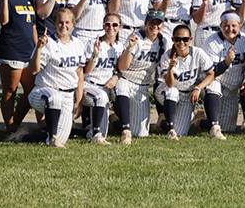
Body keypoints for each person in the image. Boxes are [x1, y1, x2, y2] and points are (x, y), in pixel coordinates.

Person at [26, 8, 85, 148]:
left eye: (67, 22)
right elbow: (33, 70)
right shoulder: (47, 43)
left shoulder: (78, 43)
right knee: (55, 97)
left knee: (62, 138)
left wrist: (79, 100)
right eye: (60, 22)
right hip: (43, 92)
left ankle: (24, 136)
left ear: (73, 24)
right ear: (54, 23)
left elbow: (79, 71)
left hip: (68, 94)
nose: (63, 26)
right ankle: (53, 137)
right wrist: (39, 49)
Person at [0, 0, 38, 140]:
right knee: (10, 91)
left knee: (32, 91)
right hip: (10, 50)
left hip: (28, 52)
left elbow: (33, 26)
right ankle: (11, 129)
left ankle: (13, 127)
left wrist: (38, 49)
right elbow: (3, 21)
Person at [115, 10, 169, 144]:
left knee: (141, 133)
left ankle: (114, 121)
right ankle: (125, 130)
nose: (155, 26)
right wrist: (129, 47)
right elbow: (121, 67)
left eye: (158, 23)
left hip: (142, 87)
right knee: (121, 87)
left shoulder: (164, 41)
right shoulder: (136, 38)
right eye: (152, 22)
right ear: (145, 23)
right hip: (126, 80)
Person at [155, 25, 216, 139]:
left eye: (185, 39)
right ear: (173, 40)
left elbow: (211, 74)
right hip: (166, 91)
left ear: (190, 40)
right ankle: (171, 130)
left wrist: (198, 88)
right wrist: (169, 69)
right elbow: (170, 84)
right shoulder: (167, 56)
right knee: (172, 92)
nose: (181, 42)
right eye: (178, 39)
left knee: (181, 132)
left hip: (187, 94)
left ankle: (164, 121)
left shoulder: (198, 52)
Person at [197, 10, 245, 134]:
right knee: (213, 85)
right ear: (221, 26)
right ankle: (214, 128)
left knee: (227, 128)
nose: (230, 29)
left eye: (234, 26)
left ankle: (201, 121)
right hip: (216, 82)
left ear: (239, 25)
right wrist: (226, 62)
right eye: (226, 25)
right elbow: (211, 73)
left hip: (233, 88)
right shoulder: (211, 42)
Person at [81, 12, 124, 144]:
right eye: (107, 24)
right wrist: (95, 54)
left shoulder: (119, 46)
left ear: (120, 27)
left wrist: (115, 78)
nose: (111, 27)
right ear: (103, 26)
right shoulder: (93, 43)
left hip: (106, 87)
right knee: (101, 97)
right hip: (90, 85)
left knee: (102, 131)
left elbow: (120, 69)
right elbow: (86, 70)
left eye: (114, 25)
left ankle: (89, 132)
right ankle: (96, 135)